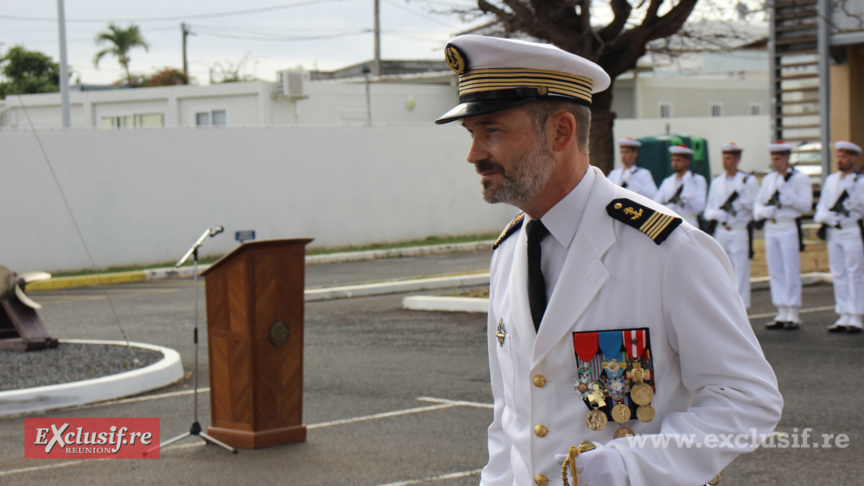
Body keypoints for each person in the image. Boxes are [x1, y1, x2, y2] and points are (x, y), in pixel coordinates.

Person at [435, 34, 782, 486]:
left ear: (561, 131)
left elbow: (747, 399)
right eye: (472, 134)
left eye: (492, 131)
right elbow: (511, 420)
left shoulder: (667, 250)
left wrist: (632, 465)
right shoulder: (508, 251)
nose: (474, 154)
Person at [753, 141, 813, 330]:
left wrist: (787, 194)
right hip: (771, 227)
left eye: (778, 158)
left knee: (790, 269)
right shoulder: (769, 179)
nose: (775, 162)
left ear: (787, 158)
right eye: (773, 159)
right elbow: (758, 203)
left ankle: (793, 312)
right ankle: (781, 310)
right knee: (776, 270)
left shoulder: (799, 179)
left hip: (788, 227)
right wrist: (763, 212)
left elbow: (805, 206)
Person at [813, 141, 864, 334]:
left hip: (850, 230)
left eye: (844, 156)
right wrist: (825, 216)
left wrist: (855, 196)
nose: (840, 160)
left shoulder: (859, 182)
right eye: (838, 156)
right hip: (834, 231)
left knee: (854, 272)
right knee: (839, 272)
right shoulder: (831, 180)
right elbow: (823, 206)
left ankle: (856, 316)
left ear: (853, 158)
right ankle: (843, 314)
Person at [703, 143, 759, 308]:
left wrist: (744, 194)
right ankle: (727, 308)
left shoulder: (748, 181)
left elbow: (754, 207)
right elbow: (708, 210)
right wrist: (716, 214)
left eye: (729, 157)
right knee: (722, 271)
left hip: (739, 231)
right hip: (721, 232)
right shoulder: (717, 182)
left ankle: (742, 310)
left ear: (737, 159)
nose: (726, 161)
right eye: (724, 157)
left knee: (741, 272)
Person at [652, 145, 707, 227]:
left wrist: (689, 184)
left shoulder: (697, 180)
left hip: (689, 224)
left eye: (678, 160)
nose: (675, 163)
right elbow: (655, 204)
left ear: (687, 161)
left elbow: (699, 207)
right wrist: (667, 208)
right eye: (673, 160)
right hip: (670, 224)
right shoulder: (667, 181)